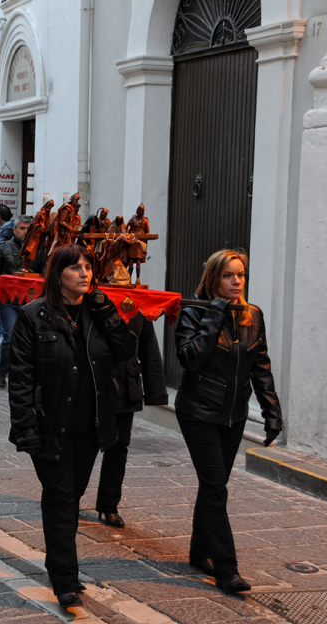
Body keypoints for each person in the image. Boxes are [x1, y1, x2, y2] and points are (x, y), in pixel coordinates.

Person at [8, 245, 136, 608]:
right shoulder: (34, 316)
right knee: (62, 497)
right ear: (57, 274)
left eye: (87, 267)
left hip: (91, 427)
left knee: (70, 497)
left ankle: (58, 563)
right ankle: (65, 579)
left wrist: (107, 311)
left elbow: (126, 351)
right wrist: (27, 428)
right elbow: (20, 379)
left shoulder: (99, 312)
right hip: (51, 426)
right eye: (75, 268)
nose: (85, 273)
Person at [173, 249, 283, 595]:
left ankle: (198, 551)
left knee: (213, 487)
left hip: (233, 415)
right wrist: (214, 317)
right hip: (199, 412)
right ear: (213, 278)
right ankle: (227, 569)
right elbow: (190, 359)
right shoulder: (193, 312)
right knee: (216, 487)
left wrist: (271, 411)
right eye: (228, 275)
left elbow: (260, 365)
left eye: (241, 275)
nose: (237, 281)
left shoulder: (253, 315)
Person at [94, 311, 168, 528]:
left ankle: (109, 504)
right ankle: (69, 499)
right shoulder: (89, 298)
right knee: (83, 446)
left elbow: (149, 349)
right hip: (92, 383)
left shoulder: (137, 306)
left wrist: (157, 392)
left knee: (118, 449)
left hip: (126, 386)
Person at [0, 216, 32, 388]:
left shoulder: (38, 251)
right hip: (8, 301)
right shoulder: (2, 249)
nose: (25, 232)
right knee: (10, 336)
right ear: (15, 230)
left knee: (29, 340)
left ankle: (23, 374)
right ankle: (1, 370)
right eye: (22, 228)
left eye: (28, 229)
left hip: (31, 301)